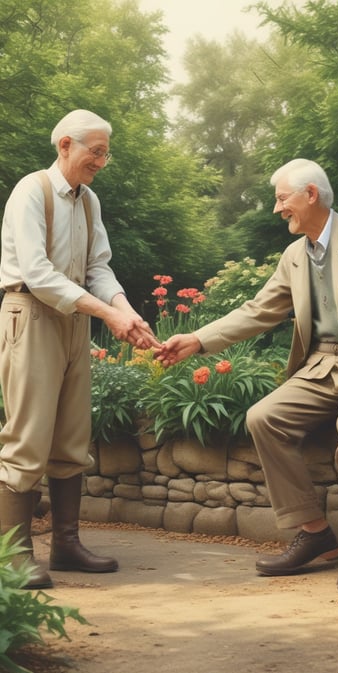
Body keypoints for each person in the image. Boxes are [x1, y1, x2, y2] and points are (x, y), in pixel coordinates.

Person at [156, 158, 338, 593]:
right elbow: (258, 311)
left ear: (310, 194)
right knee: (263, 417)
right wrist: (197, 340)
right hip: (319, 365)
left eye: (281, 199)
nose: (278, 210)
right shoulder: (295, 256)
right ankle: (315, 534)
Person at [0, 109, 160, 589]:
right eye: (97, 151)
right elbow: (37, 273)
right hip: (30, 314)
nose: (102, 161)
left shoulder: (88, 202)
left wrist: (124, 309)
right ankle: (14, 556)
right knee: (28, 438)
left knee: (71, 438)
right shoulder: (32, 191)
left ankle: (66, 544)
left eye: (106, 153)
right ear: (65, 145)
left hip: (74, 320)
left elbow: (99, 267)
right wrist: (106, 313)